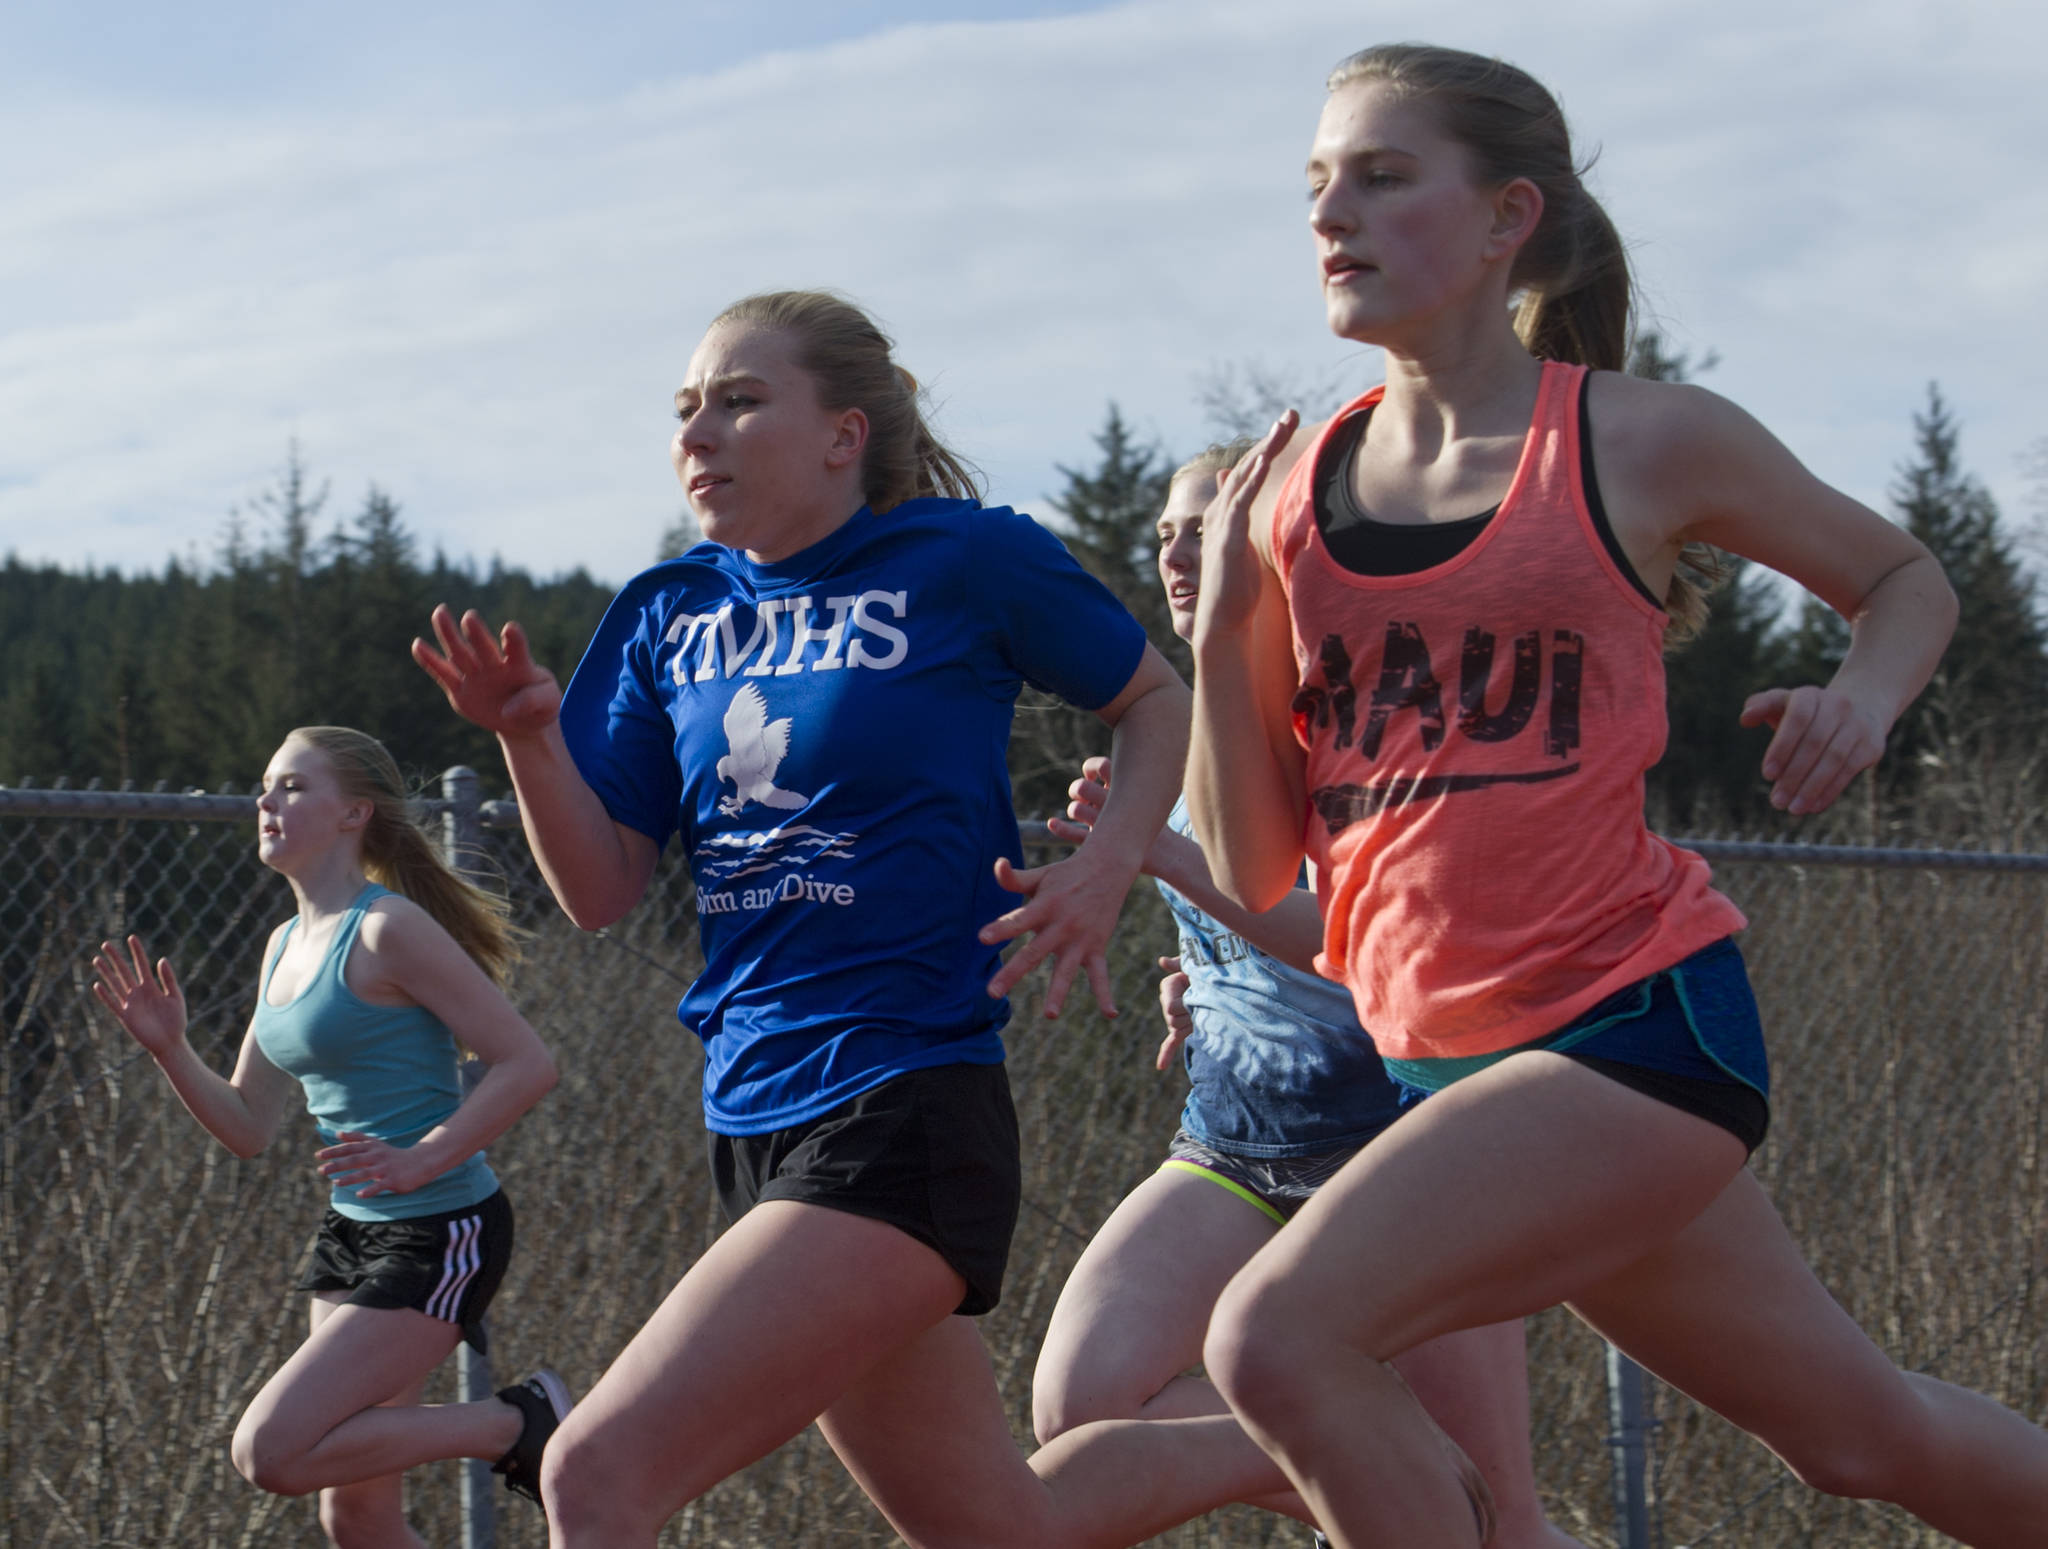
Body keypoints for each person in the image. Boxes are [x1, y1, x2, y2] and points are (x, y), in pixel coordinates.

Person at [1182, 43, 2048, 1549]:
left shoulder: (1642, 440)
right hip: (1448, 1071)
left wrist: (1859, 696)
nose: (1334, 214)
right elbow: (1264, 872)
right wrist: (1222, 637)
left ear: (1510, 214)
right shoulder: (1291, 496)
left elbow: (1906, 577)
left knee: (1275, 1338)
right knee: (1856, 1435)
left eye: (1383, 177)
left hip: (1634, 1034)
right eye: (1318, 183)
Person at [414, 290, 1298, 1549]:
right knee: (1002, 1527)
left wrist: (1105, 867)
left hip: (904, 1100)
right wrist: (529, 738)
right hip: (753, 1111)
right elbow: (600, 889)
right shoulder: (668, 612)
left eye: (738, 399)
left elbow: (1151, 698)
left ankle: (1327, 1416)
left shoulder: (962, 560)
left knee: (595, 1474)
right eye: (684, 410)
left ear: (843, 433)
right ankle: (1320, 1425)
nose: (699, 431)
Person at [1033, 444, 1583, 1549]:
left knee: (1503, 1526)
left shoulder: (1355, 708)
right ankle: (1393, 1461)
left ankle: (1419, 1479)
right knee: (1081, 1403)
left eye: (1204, 526)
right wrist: (1202, 986)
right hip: (1234, 1148)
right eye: (1162, 533)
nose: (1175, 551)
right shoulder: (1173, 723)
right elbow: (1255, 935)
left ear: (1281, 542)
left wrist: (1176, 867)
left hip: (1409, 1151)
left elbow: (1371, 941)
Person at [89, 725, 566, 1549]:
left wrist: (422, 1158)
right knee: (357, 1516)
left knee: (270, 1449)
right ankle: (508, 1423)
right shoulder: (282, 947)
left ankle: (511, 1422)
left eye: (293, 786)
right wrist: (170, 1048)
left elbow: (527, 1063)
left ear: (354, 811)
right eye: (265, 785)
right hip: (353, 1234)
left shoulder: (388, 929)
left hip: (441, 1228)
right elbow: (247, 1123)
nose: (266, 801)